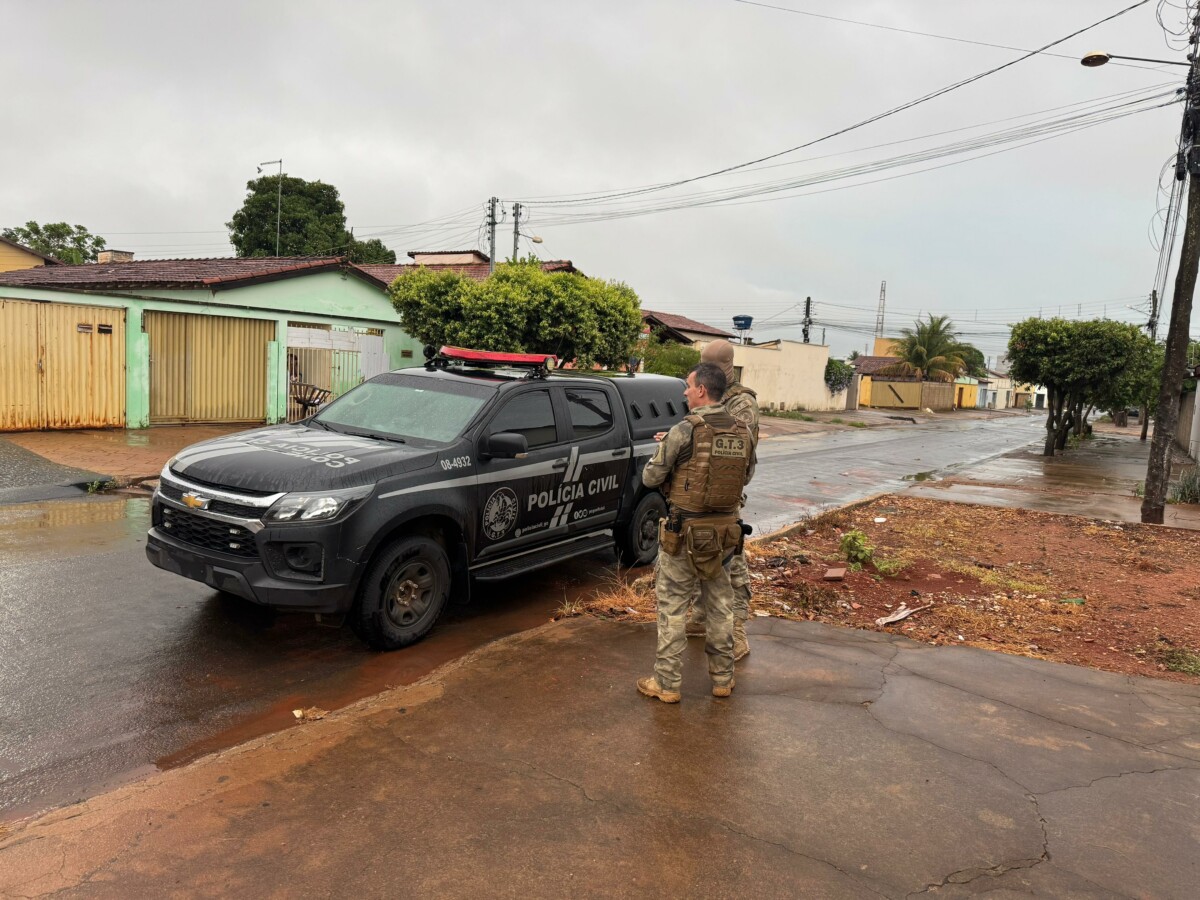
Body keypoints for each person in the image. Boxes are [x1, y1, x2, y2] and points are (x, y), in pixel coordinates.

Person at [637, 363, 754, 703]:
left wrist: (666, 453)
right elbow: (745, 476)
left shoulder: (685, 429)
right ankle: (722, 680)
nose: (685, 392)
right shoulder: (743, 431)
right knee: (720, 607)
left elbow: (651, 477)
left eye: (688, 386)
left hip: (684, 533)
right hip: (725, 536)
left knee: (673, 608)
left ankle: (667, 683)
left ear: (702, 390)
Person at [685, 339, 760, 661]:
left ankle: (737, 632)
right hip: (701, 491)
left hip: (726, 493)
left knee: (732, 563)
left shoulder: (742, 403)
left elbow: (736, 443)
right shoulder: (709, 392)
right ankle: (701, 617)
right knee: (700, 554)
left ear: (726, 366)